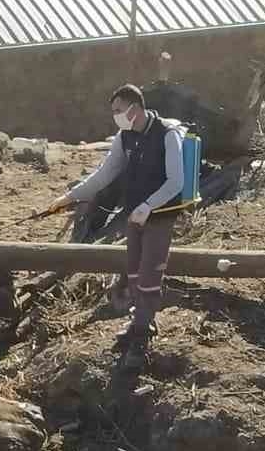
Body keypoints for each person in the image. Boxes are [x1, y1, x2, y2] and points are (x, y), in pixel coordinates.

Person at [52, 85, 184, 365]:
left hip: (159, 216)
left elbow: (176, 182)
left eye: (118, 111)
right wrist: (69, 197)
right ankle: (139, 322)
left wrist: (149, 206)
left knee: (150, 274)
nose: (115, 117)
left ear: (134, 108)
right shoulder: (125, 138)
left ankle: (142, 334)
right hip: (134, 215)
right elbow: (105, 174)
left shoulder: (167, 135)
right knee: (134, 271)